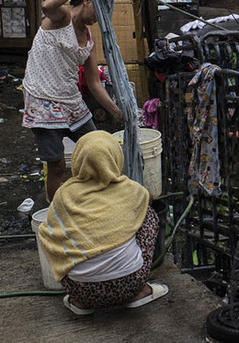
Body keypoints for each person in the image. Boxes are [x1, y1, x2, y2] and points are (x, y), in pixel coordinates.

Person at [37, 131, 168, 315]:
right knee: (148, 215)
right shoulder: (133, 190)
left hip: (81, 291)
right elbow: (149, 200)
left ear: (78, 159)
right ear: (115, 157)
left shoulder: (64, 195)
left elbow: (47, 233)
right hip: (130, 284)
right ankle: (141, 292)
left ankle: (80, 304)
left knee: (53, 229)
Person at [21, 0, 122, 202]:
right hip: (44, 101)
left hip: (71, 102)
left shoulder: (88, 39)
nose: (101, 17)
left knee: (99, 149)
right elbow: (47, 6)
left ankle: (94, 200)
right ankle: (57, 212)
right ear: (87, 0)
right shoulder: (61, 18)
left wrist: (118, 112)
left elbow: (94, 84)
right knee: (56, 165)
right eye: (100, 9)